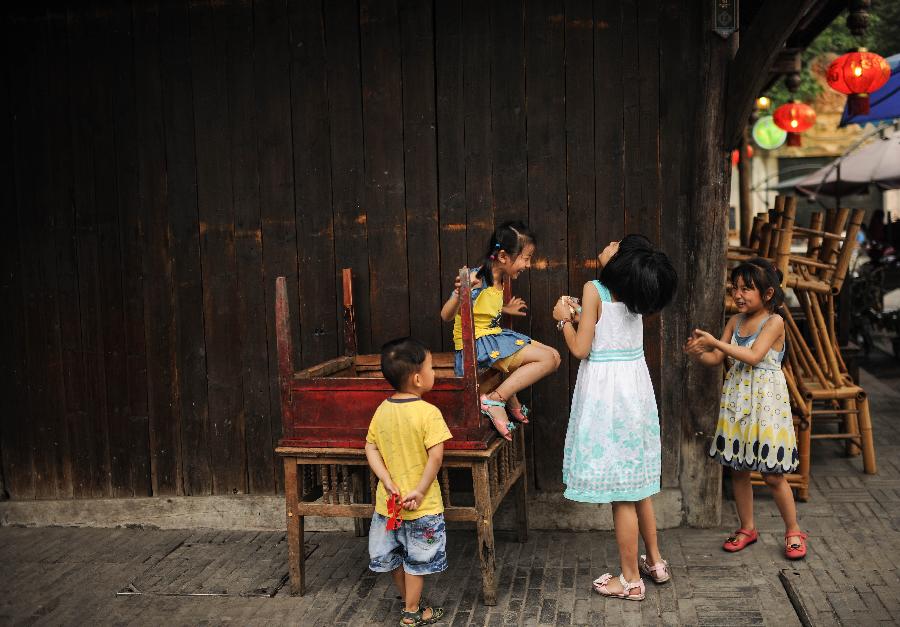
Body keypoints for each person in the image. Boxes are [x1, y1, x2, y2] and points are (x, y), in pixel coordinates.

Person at [553, 235, 677, 601]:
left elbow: (581, 348)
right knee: (637, 485)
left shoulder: (594, 289)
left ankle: (630, 580)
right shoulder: (637, 294)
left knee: (622, 494)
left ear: (621, 264)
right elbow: (611, 327)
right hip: (634, 395)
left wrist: (563, 321)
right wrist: (582, 316)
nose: (610, 244)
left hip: (607, 398)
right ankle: (655, 562)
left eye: (617, 248)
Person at [684, 257, 808, 559]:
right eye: (734, 288)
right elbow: (716, 360)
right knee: (738, 469)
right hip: (738, 401)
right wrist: (698, 352)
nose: (738, 295)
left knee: (772, 474)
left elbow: (753, 356)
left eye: (746, 289)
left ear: (768, 293)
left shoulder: (774, 321)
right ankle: (747, 528)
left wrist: (715, 343)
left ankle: (793, 529)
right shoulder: (735, 321)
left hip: (766, 405)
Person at [440, 221, 560, 440]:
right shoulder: (477, 278)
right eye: (526, 258)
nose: (528, 264)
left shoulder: (499, 277)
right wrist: (460, 292)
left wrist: (505, 308)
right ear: (503, 256)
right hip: (476, 345)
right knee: (547, 360)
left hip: (491, 336)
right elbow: (446, 315)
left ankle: (506, 394)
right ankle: (496, 399)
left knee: (555, 356)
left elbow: (481, 308)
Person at [365, 337, 452, 626]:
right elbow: (436, 458)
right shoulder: (429, 413)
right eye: (431, 367)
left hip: (389, 504)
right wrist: (420, 490)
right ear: (417, 378)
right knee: (418, 560)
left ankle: (410, 604)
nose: (434, 372)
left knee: (395, 557)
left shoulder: (382, 409)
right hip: (421, 506)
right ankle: (412, 612)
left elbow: (370, 447)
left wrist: (386, 480)